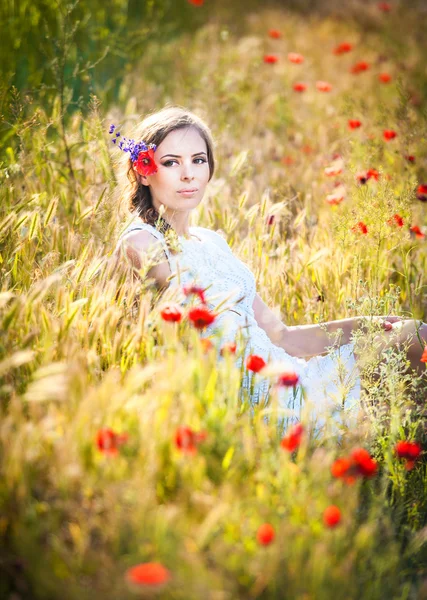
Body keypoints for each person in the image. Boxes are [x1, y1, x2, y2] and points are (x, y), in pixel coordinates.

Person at [111, 105, 427, 426]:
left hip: (291, 377)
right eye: (170, 163)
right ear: (143, 171)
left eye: (198, 160)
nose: (188, 173)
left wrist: (367, 325)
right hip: (250, 402)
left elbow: (281, 336)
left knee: (413, 334)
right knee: (407, 354)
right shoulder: (141, 242)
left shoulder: (211, 241)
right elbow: (186, 331)